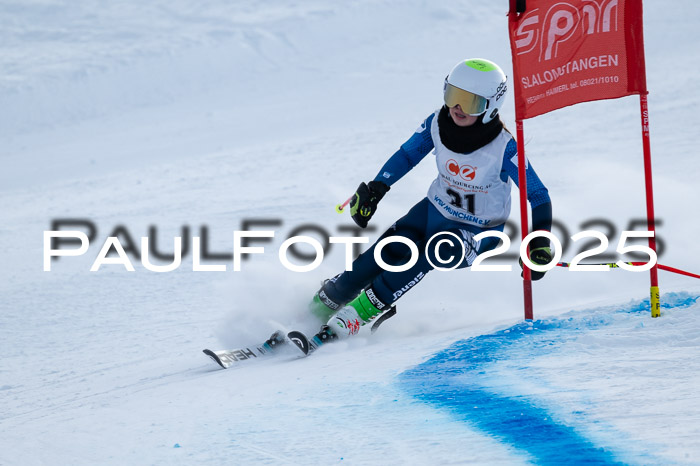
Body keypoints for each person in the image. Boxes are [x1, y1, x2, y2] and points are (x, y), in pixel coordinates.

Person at [309, 58, 553, 340]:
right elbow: (408, 154)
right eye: (453, 95)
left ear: (491, 108)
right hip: (432, 212)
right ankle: (323, 304)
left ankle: (358, 314)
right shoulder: (437, 123)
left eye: (470, 102)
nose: (457, 108)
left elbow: (538, 195)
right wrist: (377, 188)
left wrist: (539, 240)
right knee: (386, 252)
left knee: (438, 249)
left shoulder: (504, 148)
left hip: (476, 231)